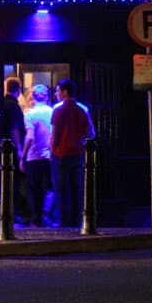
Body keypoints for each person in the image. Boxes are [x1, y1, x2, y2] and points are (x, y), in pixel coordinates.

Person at [49, 79, 95, 228]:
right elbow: (91, 133)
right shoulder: (82, 110)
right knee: (76, 190)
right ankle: (76, 222)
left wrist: (51, 152)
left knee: (61, 191)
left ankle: (63, 222)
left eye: (58, 90)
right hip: (77, 154)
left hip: (60, 155)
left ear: (65, 92)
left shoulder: (58, 110)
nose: (56, 94)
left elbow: (55, 135)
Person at [21, 83, 54, 227]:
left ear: (33, 96)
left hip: (33, 157)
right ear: (47, 97)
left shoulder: (30, 114)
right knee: (50, 188)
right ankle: (46, 214)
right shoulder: (53, 112)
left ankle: (36, 220)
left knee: (34, 190)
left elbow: (30, 137)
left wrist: (23, 156)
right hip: (49, 156)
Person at [0, 76, 26, 223]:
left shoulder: (2, 103)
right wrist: (19, 149)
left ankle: (9, 212)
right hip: (12, 150)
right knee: (14, 182)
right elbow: (14, 128)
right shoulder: (14, 106)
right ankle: (14, 213)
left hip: (4, 148)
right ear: (18, 90)